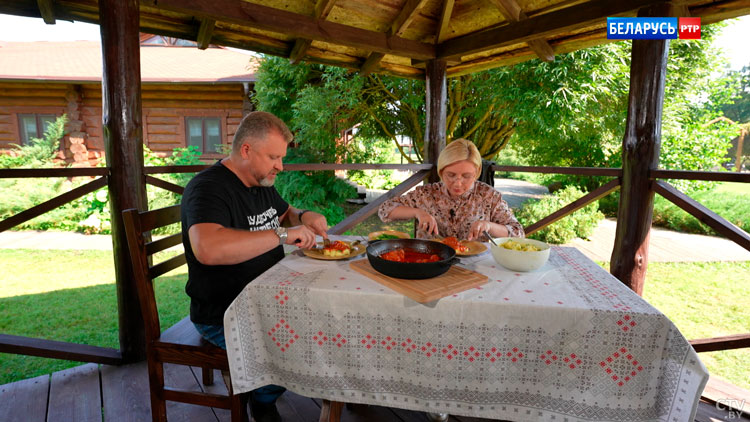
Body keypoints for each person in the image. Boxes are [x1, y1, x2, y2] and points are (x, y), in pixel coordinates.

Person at [181, 111, 327, 422]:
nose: (280, 166)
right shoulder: (207, 188)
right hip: (224, 312)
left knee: (325, 325)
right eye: (273, 156)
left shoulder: (260, 181)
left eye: (281, 157)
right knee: (296, 345)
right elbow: (208, 248)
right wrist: (283, 235)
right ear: (246, 150)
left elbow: (287, 212)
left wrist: (304, 216)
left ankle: (262, 392)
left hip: (267, 301)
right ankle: (262, 400)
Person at [378, 138, 524, 241]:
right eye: (451, 175)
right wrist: (418, 212)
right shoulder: (425, 194)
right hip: (430, 264)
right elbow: (385, 209)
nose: (458, 183)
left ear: (477, 172)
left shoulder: (488, 196)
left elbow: (518, 233)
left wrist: (488, 225)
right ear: (441, 171)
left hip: (475, 269)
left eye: (466, 176)